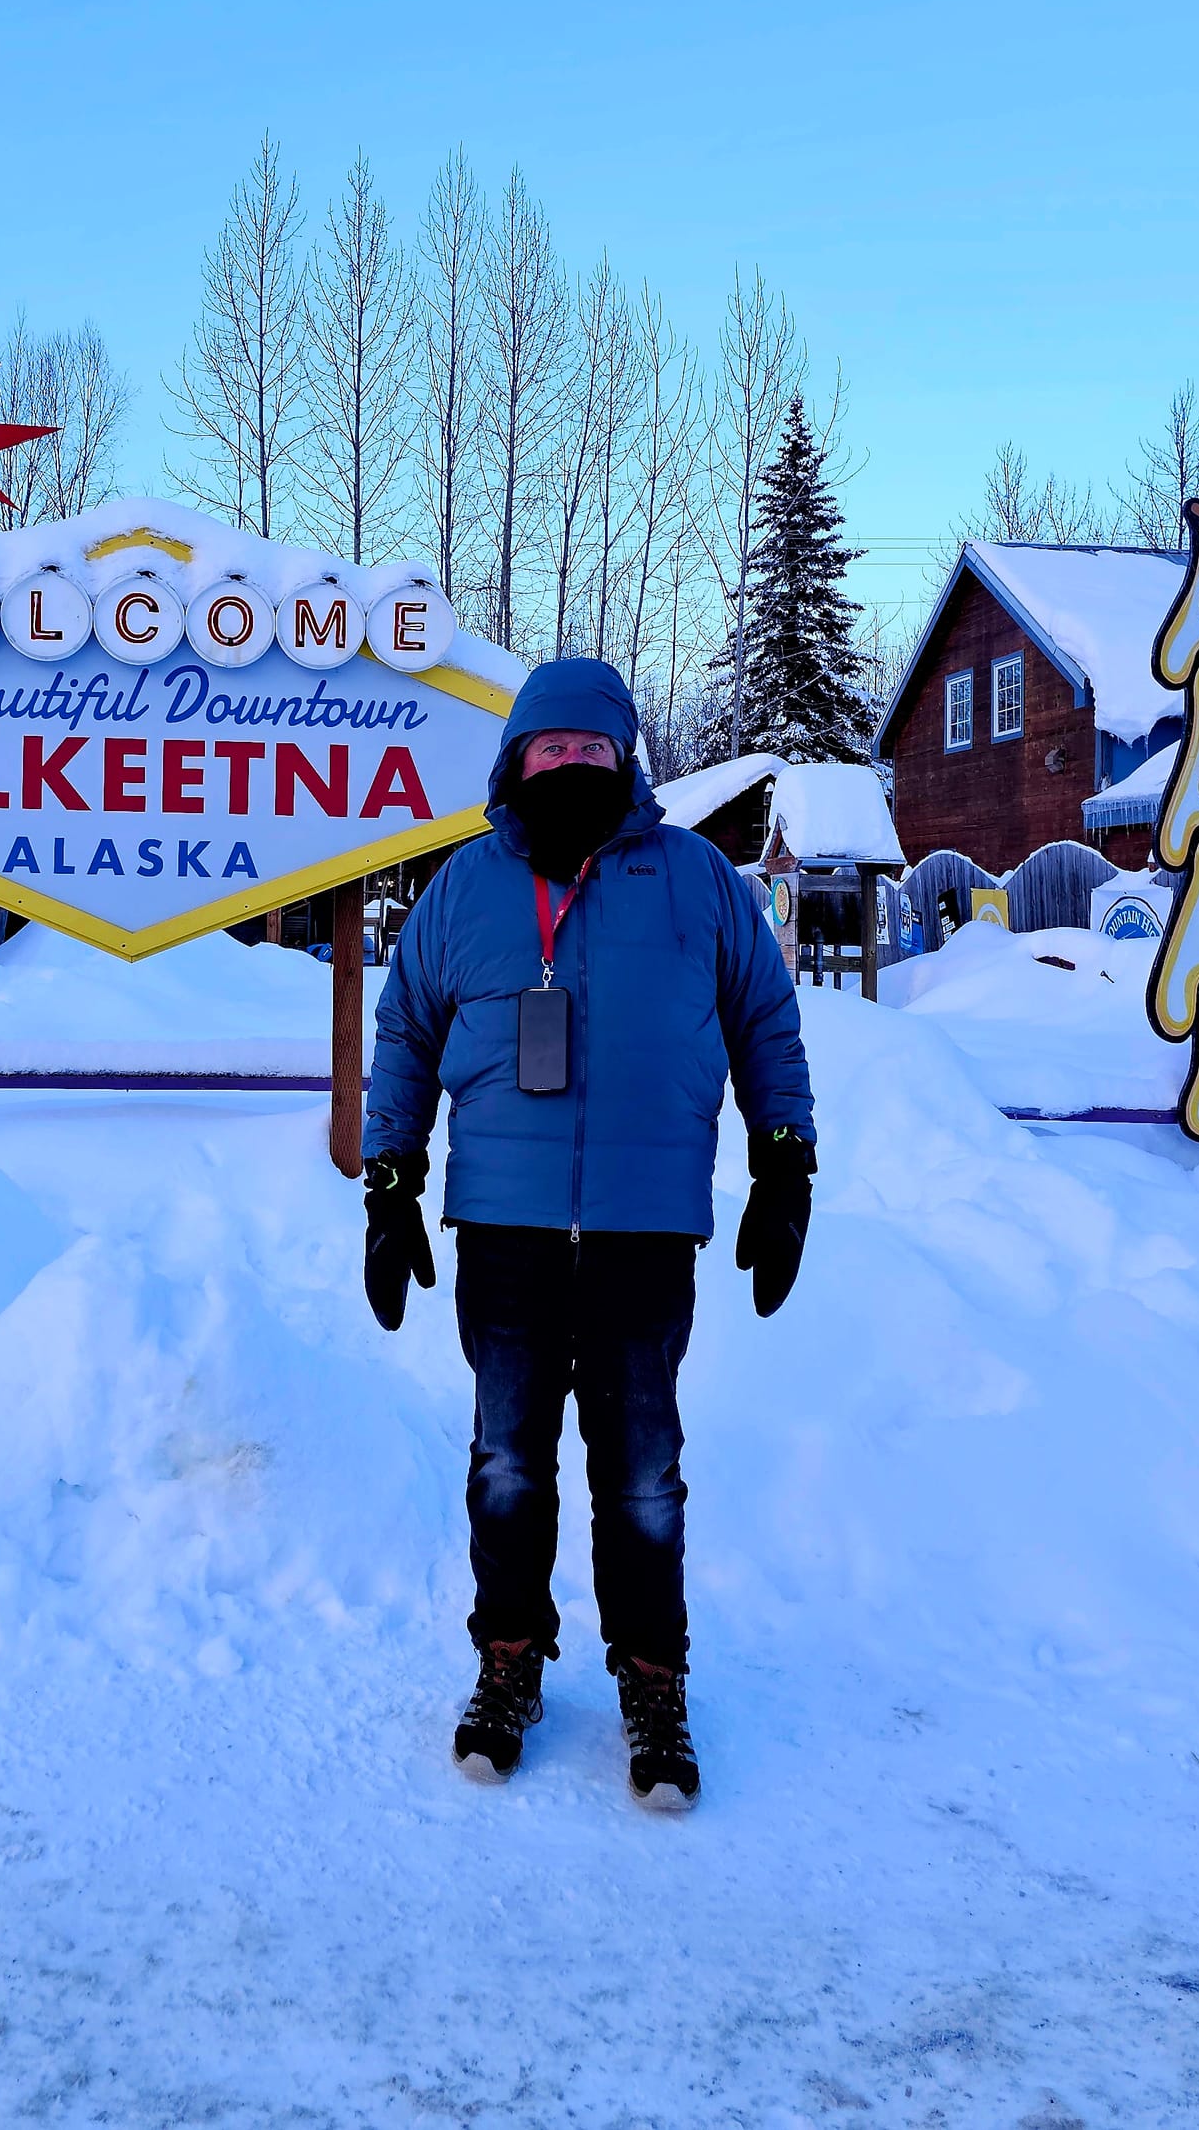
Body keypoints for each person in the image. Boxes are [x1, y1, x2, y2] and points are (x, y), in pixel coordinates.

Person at [361, 658, 816, 1807]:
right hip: (503, 1234)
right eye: (548, 750)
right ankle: (506, 1663)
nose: (570, 765)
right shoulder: (462, 890)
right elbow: (406, 1030)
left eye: (591, 749)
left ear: (624, 760)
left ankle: (651, 1680)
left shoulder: (700, 882)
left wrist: (783, 1154)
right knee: (506, 1464)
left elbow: (763, 1015)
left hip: (641, 1232)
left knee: (643, 1476)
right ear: (514, 762)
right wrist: (389, 1175)